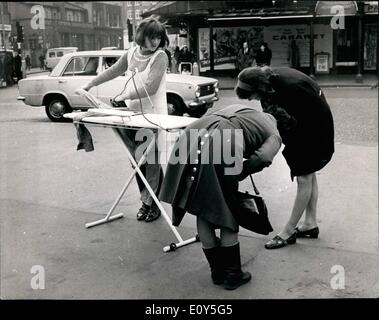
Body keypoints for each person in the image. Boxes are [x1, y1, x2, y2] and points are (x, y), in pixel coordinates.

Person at [159, 104, 282, 290]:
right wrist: (240, 172)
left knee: (202, 202)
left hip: (192, 135)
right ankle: (233, 274)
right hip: (223, 139)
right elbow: (264, 157)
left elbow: (211, 115)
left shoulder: (245, 110)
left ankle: (217, 271)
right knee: (227, 207)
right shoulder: (275, 132)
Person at [80, 16, 169, 223]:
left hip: (154, 115)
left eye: (158, 37)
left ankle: (152, 204)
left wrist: (123, 96)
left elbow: (151, 87)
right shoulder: (131, 53)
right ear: (141, 37)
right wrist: (90, 85)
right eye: (151, 37)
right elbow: (112, 71)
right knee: (138, 162)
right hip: (132, 115)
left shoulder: (161, 57)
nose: (155, 42)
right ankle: (145, 200)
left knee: (151, 160)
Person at [235, 66, 335, 249]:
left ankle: (288, 232)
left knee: (304, 177)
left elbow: (285, 124)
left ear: (259, 87)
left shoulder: (288, 88)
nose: (251, 99)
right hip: (311, 123)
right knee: (308, 174)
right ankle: (310, 223)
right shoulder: (271, 79)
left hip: (313, 130)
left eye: (251, 95)